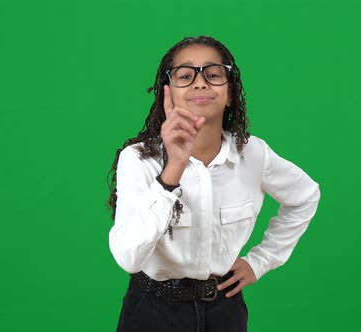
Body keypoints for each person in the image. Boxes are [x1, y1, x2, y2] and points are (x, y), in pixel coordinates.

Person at [107, 36, 320, 331]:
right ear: (166, 94)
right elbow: (129, 258)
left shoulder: (254, 155)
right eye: (185, 75)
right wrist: (173, 169)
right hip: (153, 312)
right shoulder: (139, 159)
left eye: (214, 74)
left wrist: (261, 261)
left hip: (224, 312)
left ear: (230, 93)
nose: (200, 82)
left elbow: (305, 196)